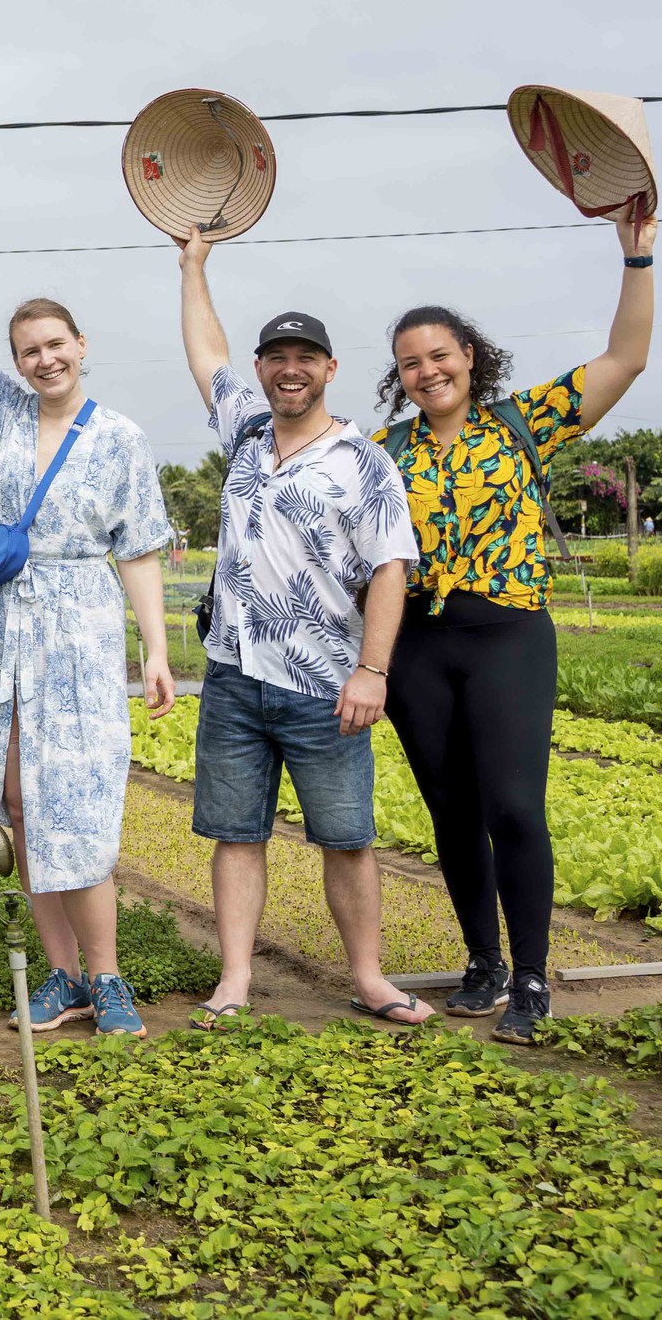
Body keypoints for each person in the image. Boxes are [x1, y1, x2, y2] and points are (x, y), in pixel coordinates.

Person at [379, 212, 658, 1044]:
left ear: (469, 355)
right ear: (398, 379)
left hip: (509, 635)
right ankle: (483, 961)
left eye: (439, 354)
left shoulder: (523, 421)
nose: (427, 371)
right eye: (410, 363)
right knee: (452, 813)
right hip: (417, 646)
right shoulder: (383, 449)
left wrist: (635, 253)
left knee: (513, 806)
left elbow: (626, 359)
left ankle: (532, 976)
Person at [0, 195, 177, 1038]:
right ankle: (63, 974)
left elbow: (139, 550)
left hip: (81, 624)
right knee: (22, 797)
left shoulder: (121, 438)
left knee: (80, 797)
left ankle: (111, 976)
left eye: (56, 344)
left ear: (81, 346)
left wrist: (156, 653)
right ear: (18, 362)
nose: (44, 358)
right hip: (2, 624)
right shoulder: (1, 414)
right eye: (30, 350)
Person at [174, 234, 429, 1028]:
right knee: (236, 832)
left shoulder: (364, 460)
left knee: (346, 838)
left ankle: (370, 977)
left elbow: (391, 567)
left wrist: (373, 670)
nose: (290, 368)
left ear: (328, 369)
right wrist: (192, 268)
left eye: (305, 356)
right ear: (262, 370)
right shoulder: (246, 432)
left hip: (326, 684)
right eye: (276, 356)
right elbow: (204, 348)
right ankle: (236, 979)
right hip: (233, 675)